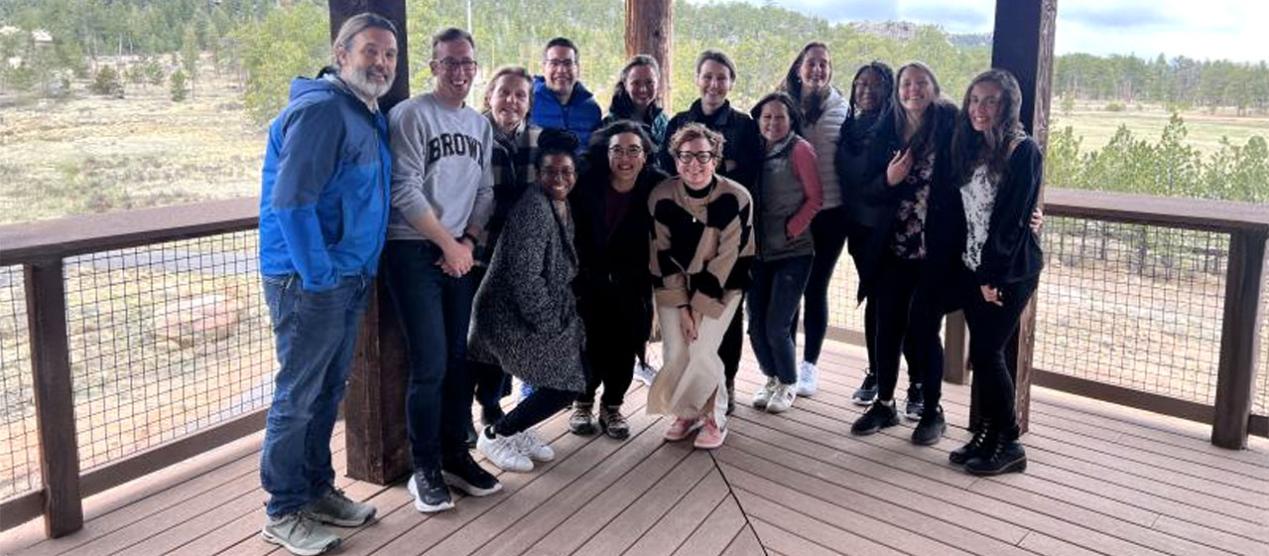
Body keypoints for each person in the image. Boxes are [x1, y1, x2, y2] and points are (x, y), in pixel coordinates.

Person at [256, 13, 395, 555]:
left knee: (327, 389)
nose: (381, 62)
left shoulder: (362, 112)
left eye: (388, 53)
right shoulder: (321, 111)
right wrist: (318, 275)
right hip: (309, 279)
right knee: (297, 395)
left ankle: (316, 490)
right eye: (370, 51)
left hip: (346, 275)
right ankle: (283, 509)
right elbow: (291, 202)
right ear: (342, 55)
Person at [385, 27, 500, 514]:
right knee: (430, 363)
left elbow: (485, 191)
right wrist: (448, 244)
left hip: (459, 252)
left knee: (459, 359)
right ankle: (424, 466)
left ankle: (456, 454)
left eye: (467, 63)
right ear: (433, 67)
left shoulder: (479, 125)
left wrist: (468, 241)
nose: (459, 72)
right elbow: (404, 189)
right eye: (450, 63)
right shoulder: (409, 115)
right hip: (414, 250)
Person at [849, 61, 958, 440]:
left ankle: (932, 411)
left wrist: (1030, 211)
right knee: (886, 326)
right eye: (906, 83)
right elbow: (867, 188)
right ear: (898, 90)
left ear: (934, 87)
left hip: (935, 251)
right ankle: (885, 406)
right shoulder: (886, 130)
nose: (913, 89)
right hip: (893, 247)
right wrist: (888, 179)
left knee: (924, 330)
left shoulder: (950, 126)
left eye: (921, 83)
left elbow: (981, 171)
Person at [470, 129, 588, 472]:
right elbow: (525, 278)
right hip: (508, 317)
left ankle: (515, 428)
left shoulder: (562, 205)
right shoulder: (534, 208)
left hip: (531, 312)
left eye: (566, 172)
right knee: (567, 382)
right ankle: (496, 434)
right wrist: (552, 324)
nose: (559, 179)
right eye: (551, 172)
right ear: (539, 174)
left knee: (575, 372)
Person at [948, 69, 1044, 475]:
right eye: (974, 99)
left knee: (988, 353)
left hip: (1007, 271)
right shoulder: (973, 146)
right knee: (983, 356)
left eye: (990, 101)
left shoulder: (1023, 151)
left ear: (1007, 106)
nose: (979, 108)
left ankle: (1010, 442)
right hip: (974, 266)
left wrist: (991, 278)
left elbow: (1011, 220)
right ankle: (986, 433)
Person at [660, 50, 762, 415]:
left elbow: (747, 178)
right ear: (697, 78)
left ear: (731, 82)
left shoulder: (745, 125)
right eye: (708, 76)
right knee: (684, 310)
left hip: (728, 234)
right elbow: (668, 174)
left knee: (725, 314)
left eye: (722, 77)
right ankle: (689, 390)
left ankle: (726, 382)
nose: (714, 84)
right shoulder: (678, 121)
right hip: (684, 234)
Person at [648, 123, 755, 450]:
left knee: (702, 348)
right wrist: (682, 307)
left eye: (703, 156)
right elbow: (661, 254)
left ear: (716, 159)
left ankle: (715, 417)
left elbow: (727, 257)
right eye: (685, 156)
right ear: (675, 159)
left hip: (724, 284)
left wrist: (696, 309)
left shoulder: (735, 197)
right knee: (676, 351)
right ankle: (687, 411)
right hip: (673, 284)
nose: (694, 163)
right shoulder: (662, 196)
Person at [569, 121, 668, 439]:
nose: (625, 158)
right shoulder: (586, 183)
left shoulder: (658, 185)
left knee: (625, 346)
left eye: (633, 150)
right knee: (589, 345)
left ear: (645, 155)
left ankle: (612, 405)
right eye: (617, 150)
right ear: (606, 153)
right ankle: (582, 401)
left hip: (633, 282)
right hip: (589, 280)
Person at [465, 65, 542, 444]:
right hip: (475, 255)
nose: (511, 101)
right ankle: (460, 410)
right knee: (469, 337)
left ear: (529, 103)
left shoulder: (539, 140)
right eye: (504, 93)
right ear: (489, 96)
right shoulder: (472, 133)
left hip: (517, 261)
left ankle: (491, 403)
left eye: (520, 95)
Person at [779, 42, 849, 398]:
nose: (818, 69)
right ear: (798, 68)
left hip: (832, 213)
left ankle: (809, 366)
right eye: (811, 63)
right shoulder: (783, 104)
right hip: (792, 211)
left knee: (816, 287)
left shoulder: (842, 107)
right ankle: (785, 363)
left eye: (824, 63)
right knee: (790, 287)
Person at [747, 92, 822, 414]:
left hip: (793, 250)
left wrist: (792, 228)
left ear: (791, 119)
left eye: (779, 117)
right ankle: (772, 377)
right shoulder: (754, 148)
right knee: (754, 324)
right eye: (767, 117)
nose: (772, 123)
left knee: (778, 324)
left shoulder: (800, 149)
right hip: (757, 251)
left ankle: (789, 381)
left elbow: (815, 197)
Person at [834, 62, 902, 408]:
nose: (866, 91)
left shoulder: (894, 128)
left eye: (875, 86)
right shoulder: (850, 125)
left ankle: (898, 379)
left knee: (885, 302)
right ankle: (877, 371)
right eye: (860, 84)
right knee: (873, 297)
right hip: (857, 229)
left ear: (888, 90)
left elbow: (894, 182)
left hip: (887, 229)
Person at [599, 54, 669, 387]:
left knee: (640, 304)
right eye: (636, 82)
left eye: (649, 82)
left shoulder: (664, 121)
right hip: (616, 216)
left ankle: (639, 360)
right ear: (625, 85)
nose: (643, 88)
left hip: (649, 214)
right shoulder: (610, 121)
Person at [530, 37, 603, 153]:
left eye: (568, 63)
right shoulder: (528, 102)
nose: (561, 70)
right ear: (543, 68)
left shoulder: (592, 109)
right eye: (554, 63)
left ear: (577, 69)